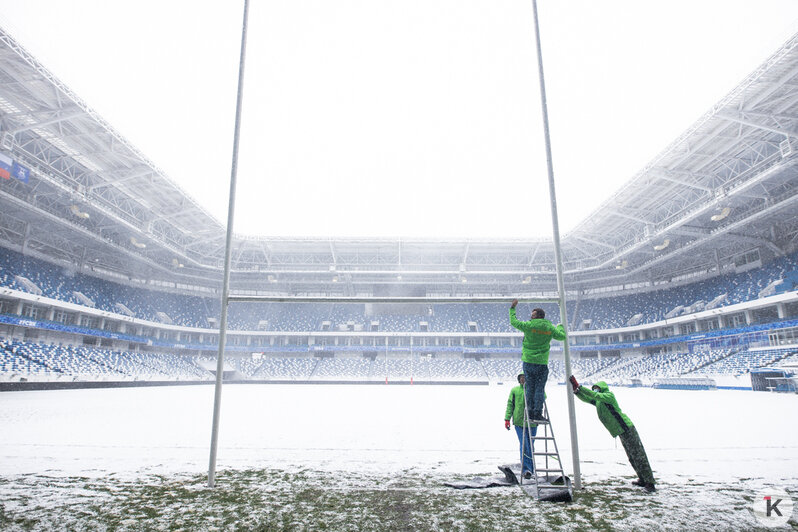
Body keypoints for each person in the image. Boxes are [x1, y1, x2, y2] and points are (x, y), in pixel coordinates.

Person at [569, 375, 656, 492]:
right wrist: (577, 392)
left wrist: (580, 387)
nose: (595, 390)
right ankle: (642, 478)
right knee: (632, 457)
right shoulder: (600, 401)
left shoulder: (609, 396)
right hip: (620, 431)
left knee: (639, 456)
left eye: (597, 388)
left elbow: (594, 395)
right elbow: (588, 398)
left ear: (602, 388)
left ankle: (650, 482)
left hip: (627, 428)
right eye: (594, 388)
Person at [509, 299, 565, 423]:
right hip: (541, 363)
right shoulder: (549, 327)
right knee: (539, 389)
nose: (531, 316)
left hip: (528, 362)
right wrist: (560, 326)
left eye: (533, 315)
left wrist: (512, 309)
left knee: (529, 388)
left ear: (538, 316)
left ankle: (529, 413)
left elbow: (514, 322)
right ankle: (537, 413)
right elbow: (562, 336)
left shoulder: (529, 325)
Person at [504, 374, 537, 478]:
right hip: (519, 422)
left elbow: (543, 396)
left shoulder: (533, 389)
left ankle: (530, 469)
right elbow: (510, 404)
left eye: (525, 377)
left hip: (532, 422)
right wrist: (507, 418)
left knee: (530, 445)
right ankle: (526, 470)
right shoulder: (515, 391)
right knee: (524, 444)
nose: (523, 379)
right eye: (521, 377)